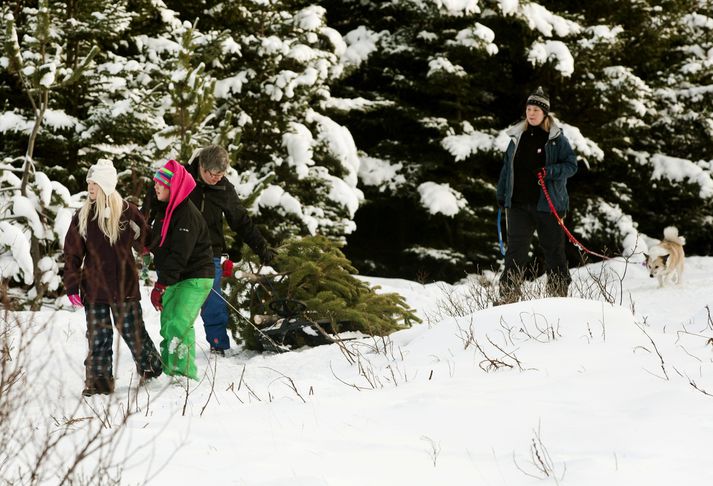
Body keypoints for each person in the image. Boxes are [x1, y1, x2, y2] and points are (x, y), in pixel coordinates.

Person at [144, 145, 275, 356]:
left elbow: (241, 221)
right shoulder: (180, 178)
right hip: (174, 251)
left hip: (207, 254)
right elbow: (151, 206)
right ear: (200, 165)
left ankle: (218, 345)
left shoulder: (224, 189)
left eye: (220, 174)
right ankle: (173, 350)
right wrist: (146, 239)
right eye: (209, 173)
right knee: (171, 306)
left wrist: (262, 248)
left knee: (212, 301)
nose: (214, 178)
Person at [63, 159, 162, 397]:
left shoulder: (127, 213)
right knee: (99, 336)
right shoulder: (83, 216)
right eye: (89, 184)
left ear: (106, 184)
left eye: (94, 183)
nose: (90, 188)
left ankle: (150, 367)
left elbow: (147, 242)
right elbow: (72, 253)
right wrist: (72, 285)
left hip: (123, 285)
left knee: (132, 330)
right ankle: (99, 381)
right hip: (94, 288)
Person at [495, 87, 578, 303]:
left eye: (536, 110)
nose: (531, 113)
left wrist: (550, 172)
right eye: (529, 109)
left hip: (548, 205)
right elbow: (507, 168)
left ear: (545, 113)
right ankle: (508, 296)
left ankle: (558, 295)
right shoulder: (517, 137)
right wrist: (502, 194)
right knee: (515, 253)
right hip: (518, 205)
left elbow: (571, 165)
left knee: (553, 251)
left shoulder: (556, 138)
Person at [148, 159, 215, 380]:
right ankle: (172, 370)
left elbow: (179, 255)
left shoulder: (187, 214)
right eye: (155, 182)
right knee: (168, 324)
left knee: (179, 323)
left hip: (195, 277)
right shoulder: (166, 211)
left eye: (161, 183)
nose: (155, 186)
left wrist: (160, 285)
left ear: (173, 187)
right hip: (176, 277)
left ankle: (184, 375)